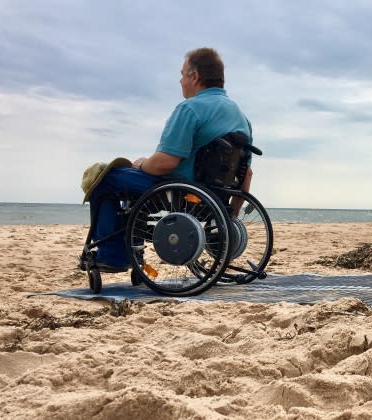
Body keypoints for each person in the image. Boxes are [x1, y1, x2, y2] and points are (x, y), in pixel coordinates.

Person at [85, 47, 253, 271]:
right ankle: (131, 250)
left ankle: (112, 256)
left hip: (177, 189)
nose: (181, 80)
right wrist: (231, 212)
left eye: (183, 74)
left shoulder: (190, 109)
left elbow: (166, 163)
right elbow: (246, 174)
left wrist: (142, 163)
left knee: (104, 179)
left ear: (195, 76)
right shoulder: (241, 117)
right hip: (214, 196)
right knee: (124, 184)